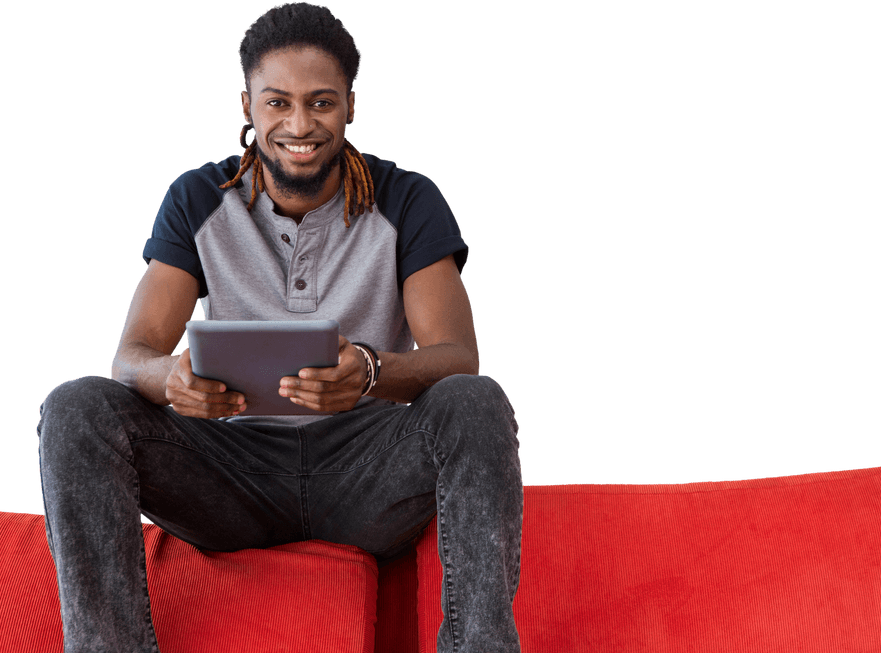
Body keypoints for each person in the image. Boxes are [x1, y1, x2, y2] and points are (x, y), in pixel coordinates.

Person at [35, 3, 523, 652]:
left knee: (476, 400)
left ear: (351, 105)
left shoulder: (409, 199)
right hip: (230, 471)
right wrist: (169, 376)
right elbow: (131, 355)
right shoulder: (197, 197)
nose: (299, 124)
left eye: (321, 103)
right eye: (278, 103)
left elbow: (457, 356)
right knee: (75, 406)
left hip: (365, 469)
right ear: (247, 106)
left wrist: (372, 371)